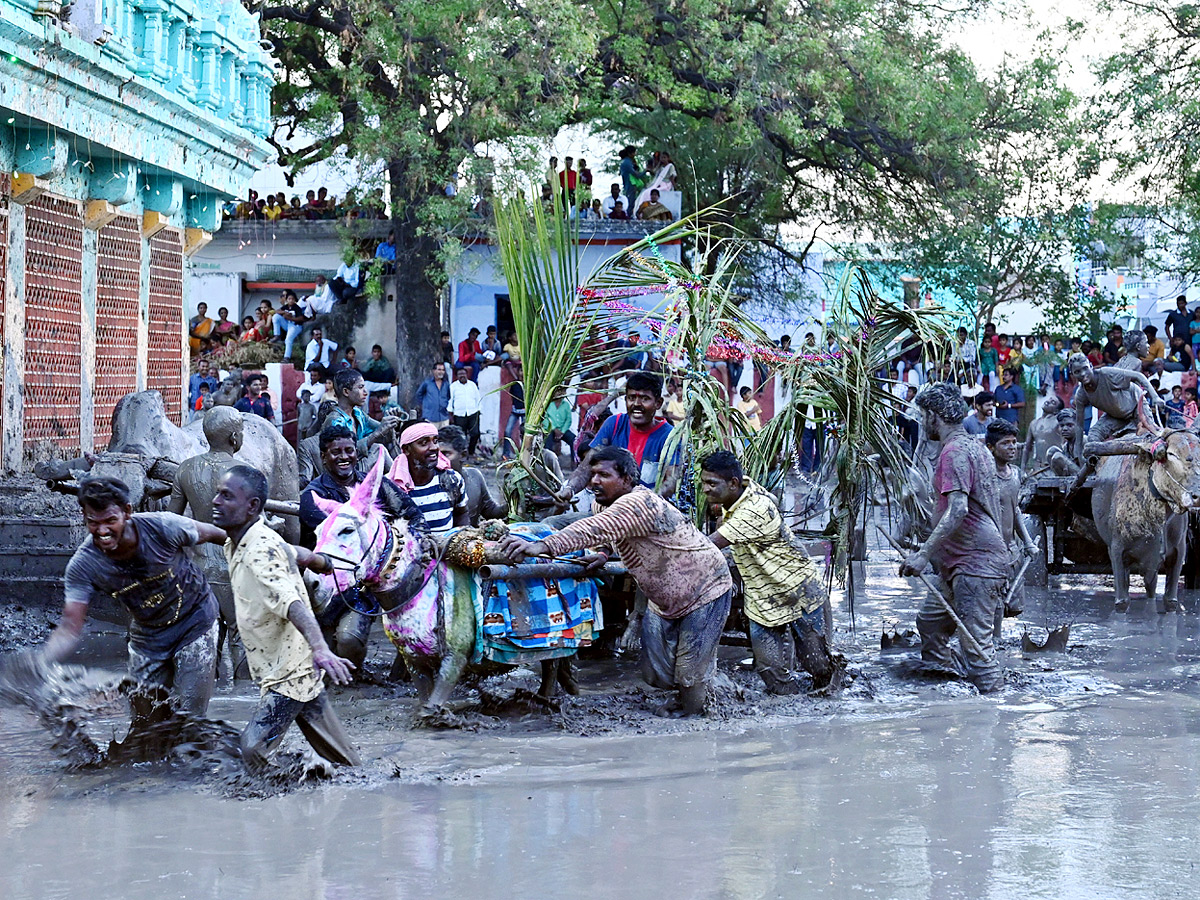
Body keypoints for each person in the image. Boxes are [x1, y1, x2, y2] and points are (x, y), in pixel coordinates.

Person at [499, 446, 732, 717]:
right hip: (665, 597)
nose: (594, 481)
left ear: (626, 479)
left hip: (704, 587)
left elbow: (593, 528)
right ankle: (706, 690)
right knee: (655, 672)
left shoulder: (638, 502)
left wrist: (542, 546)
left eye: (604, 475)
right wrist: (603, 553)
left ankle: (696, 718)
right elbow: (609, 531)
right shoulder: (605, 503)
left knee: (690, 672)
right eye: (593, 474)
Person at [212, 465, 360, 774]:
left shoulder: (259, 549)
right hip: (294, 662)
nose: (215, 501)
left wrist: (321, 649)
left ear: (252, 506)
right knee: (346, 762)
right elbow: (292, 551)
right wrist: (318, 560)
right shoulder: (241, 540)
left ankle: (288, 799)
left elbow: (294, 605)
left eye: (226, 496)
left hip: (289, 671)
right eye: (217, 493)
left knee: (253, 747)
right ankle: (364, 794)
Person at [41, 476, 227, 714]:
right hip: (147, 638)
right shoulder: (83, 564)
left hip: (195, 621)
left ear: (127, 512)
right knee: (144, 725)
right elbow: (70, 626)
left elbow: (216, 534)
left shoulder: (163, 527)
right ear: (84, 518)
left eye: (110, 520)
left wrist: (260, 545)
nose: (102, 531)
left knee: (190, 717)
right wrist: (41, 664)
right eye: (93, 523)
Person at [699, 451, 841, 694]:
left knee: (817, 665)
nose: (705, 490)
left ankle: (827, 707)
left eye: (711, 484)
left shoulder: (756, 508)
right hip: (762, 597)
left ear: (733, 483)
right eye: (703, 483)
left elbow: (705, 546)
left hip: (798, 591)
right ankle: (793, 714)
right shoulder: (733, 500)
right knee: (769, 669)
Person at [900, 382, 1008, 693]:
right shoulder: (976, 446)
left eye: (923, 416)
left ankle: (993, 715)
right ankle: (947, 687)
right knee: (931, 622)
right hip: (957, 563)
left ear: (934, 416)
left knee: (976, 646)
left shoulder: (955, 452)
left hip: (975, 562)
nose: (922, 423)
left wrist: (923, 554)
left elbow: (958, 510)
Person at [167, 406, 254, 680]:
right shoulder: (246, 472)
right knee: (242, 634)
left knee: (204, 637)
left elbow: (172, 523)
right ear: (233, 438)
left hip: (197, 568)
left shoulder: (186, 469)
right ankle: (241, 699)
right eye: (240, 432)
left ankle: (209, 697)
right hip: (234, 566)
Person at [555, 371, 680, 503]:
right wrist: (569, 489)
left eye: (644, 399)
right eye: (631, 398)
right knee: (551, 522)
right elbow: (586, 466)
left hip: (648, 510)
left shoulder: (669, 435)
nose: (636, 404)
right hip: (608, 507)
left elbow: (671, 482)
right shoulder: (613, 423)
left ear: (658, 403)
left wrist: (641, 503)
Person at [986, 420, 1037, 620]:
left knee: (1012, 606)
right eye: (1005, 443)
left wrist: (1028, 542)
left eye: (1014, 442)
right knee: (992, 604)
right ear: (990, 447)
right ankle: (992, 645)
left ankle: (996, 644)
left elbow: (1014, 509)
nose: (1012, 447)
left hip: (1010, 549)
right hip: (989, 550)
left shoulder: (1015, 474)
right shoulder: (985, 477)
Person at [1068, 352, 1164, 456]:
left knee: (1151, 434)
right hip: (1115, 415)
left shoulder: (1106, 373)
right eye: (1077, 372)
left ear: (1091, 366)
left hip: (1136, 406)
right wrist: (1078, 448)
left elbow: (1138, 376)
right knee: (1093, 437)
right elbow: (1079, 424)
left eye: (1085, 368)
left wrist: (1155, 397)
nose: (1082, 374)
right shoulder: (1081, 394)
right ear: (1073, 374)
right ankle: (1097, 464)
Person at [388, 423, 469, 534]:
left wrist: (461, 540)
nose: (434, 447)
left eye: (435, 441)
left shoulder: (452, 480)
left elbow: (462, 513)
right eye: (424, 443)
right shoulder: (391, 487)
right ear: (406, 449)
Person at [437, 425, 508, 525]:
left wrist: (512, 502)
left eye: (445, 454)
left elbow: (491, 512)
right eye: (436, 455)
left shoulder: (474, 476)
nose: (439, 460)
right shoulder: (431, 482)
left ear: (463, 455)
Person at [328, 369, 400, 463]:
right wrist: (377, 433)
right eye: (360, 387)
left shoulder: (358, 414)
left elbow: (381, 430)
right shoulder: (335, 420)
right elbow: (346, 452)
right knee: (378, 449)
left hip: (357, 464)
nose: (365, 392)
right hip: (344, 468)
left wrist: (391, 421)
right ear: (346, 392)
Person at [1021, 393, 1065, 469]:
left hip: (1054, 467)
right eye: (1049, 399)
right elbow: (1027, 447)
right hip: (1037, 467)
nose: (1048, 402)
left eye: (1053, 403)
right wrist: (1022, 468)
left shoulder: (1058, 422)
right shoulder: (1034, 423)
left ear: (1056, 411)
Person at [448, 366, 482, 456]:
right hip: (459, 414)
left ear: (467, 375)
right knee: (460, 435)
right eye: (460, 374)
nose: (462, 375)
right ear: (457, 376)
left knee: (475, 433)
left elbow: (478, 398)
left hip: (473, 413)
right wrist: (450, 414)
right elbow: (450, 400)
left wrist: (479, 410)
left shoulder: (472, 385)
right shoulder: (453, 386)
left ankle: (471, 452)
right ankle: (462, 453)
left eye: (463, 373)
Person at [272, 290, 311, 357]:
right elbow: (276, 311)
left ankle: (287, 357)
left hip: (295, 326)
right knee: (276, 317)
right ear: (286, 300)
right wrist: (284, 312)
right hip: (288, 325)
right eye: (289, 299)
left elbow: (301, 318)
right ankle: (277, 335)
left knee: (288, 339)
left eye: (292, 299)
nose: (291, 301)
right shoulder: (286, 307)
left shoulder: (297, 307)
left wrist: (290, 318)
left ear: (295, 300)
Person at [414, 362, 451, 427]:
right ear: (434, 371)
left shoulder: (446, 384)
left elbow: (448, 396)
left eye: (443, 370)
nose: (441, 372)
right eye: (439, 369)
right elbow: (419, 394)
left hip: (444, 417)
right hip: (430, 417)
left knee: (444, 436)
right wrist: (426, 405)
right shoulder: (427, 383)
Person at [543, 389, 576, 458]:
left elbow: (568, 419)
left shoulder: (566, 404)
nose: (559, 394)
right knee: (548, 444)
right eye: (557, 392)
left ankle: (574, 461)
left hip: (562, 430)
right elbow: (545, 419)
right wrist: (554, 429)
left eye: (561, 392)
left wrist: (562, 431)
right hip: (550, 429)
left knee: (574, 440)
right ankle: (548, 462)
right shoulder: (548, 404)